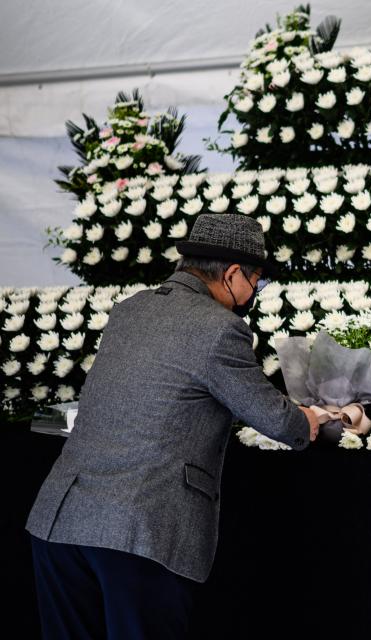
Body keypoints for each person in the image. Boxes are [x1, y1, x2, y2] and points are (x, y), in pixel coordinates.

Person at [25, 213, 321, 639]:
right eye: (258, 280)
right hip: (139, 532)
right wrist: (311, 417)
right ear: (234, 273)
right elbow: (279, 421)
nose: (256, 290)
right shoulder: (219, 328)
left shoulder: (130, 310)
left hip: (59, 523)